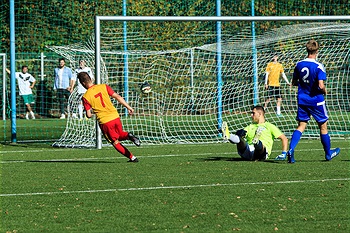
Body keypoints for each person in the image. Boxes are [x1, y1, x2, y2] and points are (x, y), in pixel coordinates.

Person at [282, 39, 340, 163]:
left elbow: (294, 82)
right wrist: (324, 90)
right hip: (316, 101)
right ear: (317, 51)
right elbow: (320, 85)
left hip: (302, 99)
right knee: (323, 126)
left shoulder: (299, 64)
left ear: (307, 50)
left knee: (301, 125)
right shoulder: (319, 66)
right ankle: (328, 153)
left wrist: (304, 84)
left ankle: (291, 149)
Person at [77, 71, 140, 162]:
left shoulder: (85, 97)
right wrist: (128, 107)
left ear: (83, 83)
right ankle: (130, 136)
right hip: (115, 116)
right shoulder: (103, 86)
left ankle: (132, 158)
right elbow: (117, 96)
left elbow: (88, 115)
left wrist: (95, 111)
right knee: (120, 134)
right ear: (90, 79)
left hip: (105, 121)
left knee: (115, 142)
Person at [222, 105, 288, 161]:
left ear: (259, 114)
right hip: (247, 151)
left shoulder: (269, 126)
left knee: (260, 147)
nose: (251, 115)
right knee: (240, 140)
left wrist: (284, 153)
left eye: (253, 113)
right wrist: (240, 133)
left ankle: (257, 142)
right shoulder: (250, 126)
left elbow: (284, 138)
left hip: (261, 154)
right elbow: (240, 136)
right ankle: (228, 135)